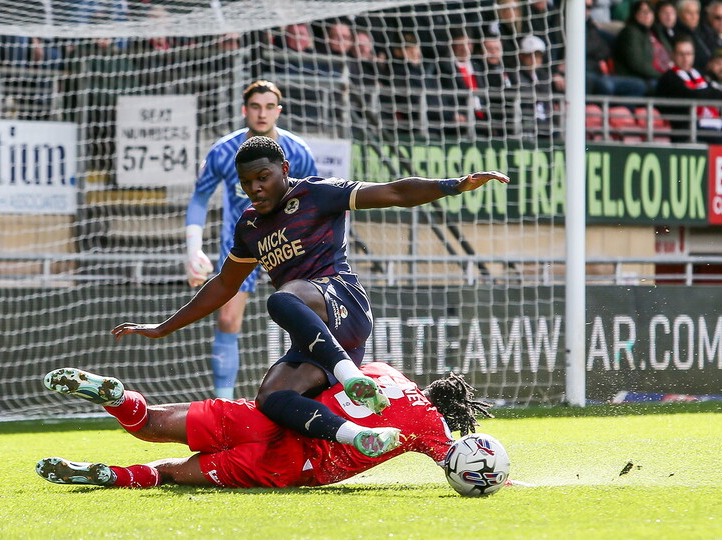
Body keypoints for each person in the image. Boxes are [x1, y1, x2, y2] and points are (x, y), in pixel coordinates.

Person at [114, 136, 509, 457]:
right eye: (247, 182)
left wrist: (454, 185)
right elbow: (223, 285)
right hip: (322, 340)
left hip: (344, 303)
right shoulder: (249, 226)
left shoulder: (318, 194)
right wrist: (163, 328)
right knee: (272, 397)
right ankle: (355, 435)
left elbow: (393, 192)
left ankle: (351, 377)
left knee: (282, 298)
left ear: (284, 170)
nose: (255, 187)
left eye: (263, 177)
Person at [35, 361, 493, 489]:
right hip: (291, 463)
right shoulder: (432, 428)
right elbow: (457, 465)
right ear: (451, 411)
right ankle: (109, 475)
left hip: (265, 416)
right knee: (175, 472)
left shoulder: (381, 371)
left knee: (149, 423)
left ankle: (116, 396)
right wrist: (499, 479)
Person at [183, 81, 317, 400]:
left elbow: (317, 196)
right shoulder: (224, 150)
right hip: (241, 245)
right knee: (228, 319)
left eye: (269, 107)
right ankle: (224, 405)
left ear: (278, 111)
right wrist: (192, 248)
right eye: (256, 106)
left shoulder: (298, 151)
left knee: (303, 320)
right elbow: (200, 197)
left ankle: (307, 396)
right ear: (245, 110)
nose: (262, 113)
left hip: (289, 246)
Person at [655, 35, 722, 142]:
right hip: (686, 128)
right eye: (681, 54)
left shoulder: (699, 74)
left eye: (689, 54)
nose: (685, 58)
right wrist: (714, 93)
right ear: (673, 55)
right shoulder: (669, 77)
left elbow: (714, 94)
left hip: (711, 124)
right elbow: (691, 95)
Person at [614, 0, 673, 91]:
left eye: (650, 11)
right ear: (635, 14)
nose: (647, 15)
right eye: (643, 11)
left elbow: (670, 53)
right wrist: (662, 76)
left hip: (663, 75)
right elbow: (637, 63)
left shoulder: (656, 32)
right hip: (640, 77)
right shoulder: (631, 32)